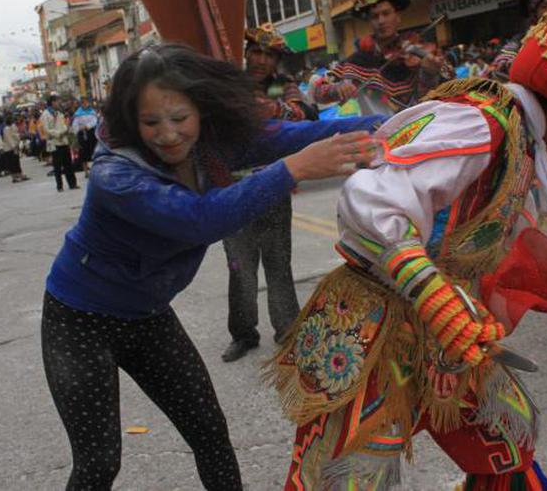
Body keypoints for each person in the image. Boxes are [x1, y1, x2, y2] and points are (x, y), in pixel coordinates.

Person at [268, 12, 547, 489]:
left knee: (507, 442)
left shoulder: (515, 134)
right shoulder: (481, 123)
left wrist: (539, 277)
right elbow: (370, 200)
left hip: (448, 334)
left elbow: (468, 233)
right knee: (345, 479)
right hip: (375, 326)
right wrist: (432, 293)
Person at [41, 44, 383, 490]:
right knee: (99, 463)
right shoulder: (115, 175)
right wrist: (293, 170)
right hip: (79, 321)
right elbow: (201, 220)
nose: (168, 135)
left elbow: (292, 135)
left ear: (200, 108)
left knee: (210, 434)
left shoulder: (212, 143)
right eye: (151, 122)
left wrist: (398, 123)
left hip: (148, 317)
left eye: (179, 117)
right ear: (130, 120)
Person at [221, 26, 316, 363]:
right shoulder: (229, 83)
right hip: (233, 192)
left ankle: (287, 330)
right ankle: (243, 334)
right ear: (246, 53)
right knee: (239, 268)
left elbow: (306, 114)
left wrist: (275, 110)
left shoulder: (279, 85)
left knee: (278, 264)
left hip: (274, 186)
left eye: (269, 55)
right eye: (256, 52)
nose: (261, 60)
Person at [313, 0, 446, 115]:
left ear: (397, 16)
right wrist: (338, 89)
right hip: (379, 126)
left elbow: (441, 91)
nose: (381, 21)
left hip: (421, 121)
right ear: (369, 22)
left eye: (386, 13)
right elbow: (318, 92)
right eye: (375, 16)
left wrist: (430, 73)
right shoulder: (357, 60)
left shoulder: (417, 50)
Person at [42, 93, 78, 191]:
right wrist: (58, 133)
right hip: (55, 142)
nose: (59, 103)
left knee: (68, 163)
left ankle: (72, 183)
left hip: (64, 140)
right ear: (52, 102)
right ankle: (59, 186)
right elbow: (47, 129)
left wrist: (66, 130)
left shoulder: (59, 113)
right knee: (57, 165)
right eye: (57, 101)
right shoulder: (46, 114)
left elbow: (63, 124)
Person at [71, 98, 99, 177]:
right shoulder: (78, 113)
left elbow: (94, 121)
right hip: (82, 134)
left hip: (91, 133)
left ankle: (95, 170)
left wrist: (87, 126)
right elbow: (75, 124)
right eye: (83, 103)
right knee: (83, 153)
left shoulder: (92, 112)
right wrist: (78, 129)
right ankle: (86, 172)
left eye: (86, 103)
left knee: (93, 151)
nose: (85, 104)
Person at [1, 115, 29, 184]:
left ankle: (19, 175)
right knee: (12, 163)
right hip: (9, 149)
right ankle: (14, 177)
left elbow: (15, 135)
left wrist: (18, 138)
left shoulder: (12, 127)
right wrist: (14, 147)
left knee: (16, 162)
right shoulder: (6, 129)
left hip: (14, 147)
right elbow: (9, 139)